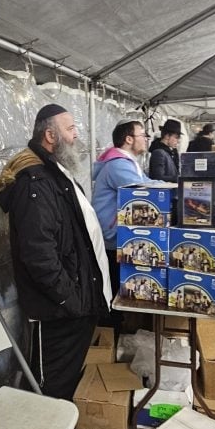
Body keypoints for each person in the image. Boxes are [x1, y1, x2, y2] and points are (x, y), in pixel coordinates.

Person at [0, 103, 111, 429]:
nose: (76, 135)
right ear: (50, 135)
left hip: (74, 298)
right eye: (70, 129)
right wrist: (68, 298)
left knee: (67, 370)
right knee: (53, 376)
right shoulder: (35, 181)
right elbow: (38, 254)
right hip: (58, 306)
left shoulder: (52, 170)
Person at [92, 120, 154, 312]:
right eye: (142, 135)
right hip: (112, 236)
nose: (146, 139)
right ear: (129, 139)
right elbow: (144, 189)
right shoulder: (118, 165)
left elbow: (149, 181)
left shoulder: (127, 162)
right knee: (115, 290)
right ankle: (114, 324)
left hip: (117, 235)